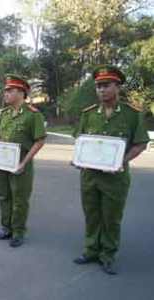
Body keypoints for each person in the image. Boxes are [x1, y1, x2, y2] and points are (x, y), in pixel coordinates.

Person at [72, 65, 149, 275]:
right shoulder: (89, 114)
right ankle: (90, 249)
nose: (101, 90)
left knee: (111, 217)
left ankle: (107, 254)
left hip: (115, 178)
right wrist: (78, 158)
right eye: (98, 86)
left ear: (118, 87)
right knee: (91, 214)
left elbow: (141, 143)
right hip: (89, 176)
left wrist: (121, 162)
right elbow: (81, 140)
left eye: (106, 85)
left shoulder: (132, 114)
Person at [0, 74, 47, 248]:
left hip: (21, 163)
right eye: (5, 90)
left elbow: (39, 141)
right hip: (3, 163)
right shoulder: (5, 114)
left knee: (19, 199)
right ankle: (6, 227)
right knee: (3, 196)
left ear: (21, 93)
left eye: (10, 90)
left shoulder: (32, 115)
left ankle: (18, 232)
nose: (5, 93)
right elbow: (0, 138)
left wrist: (24, 163)